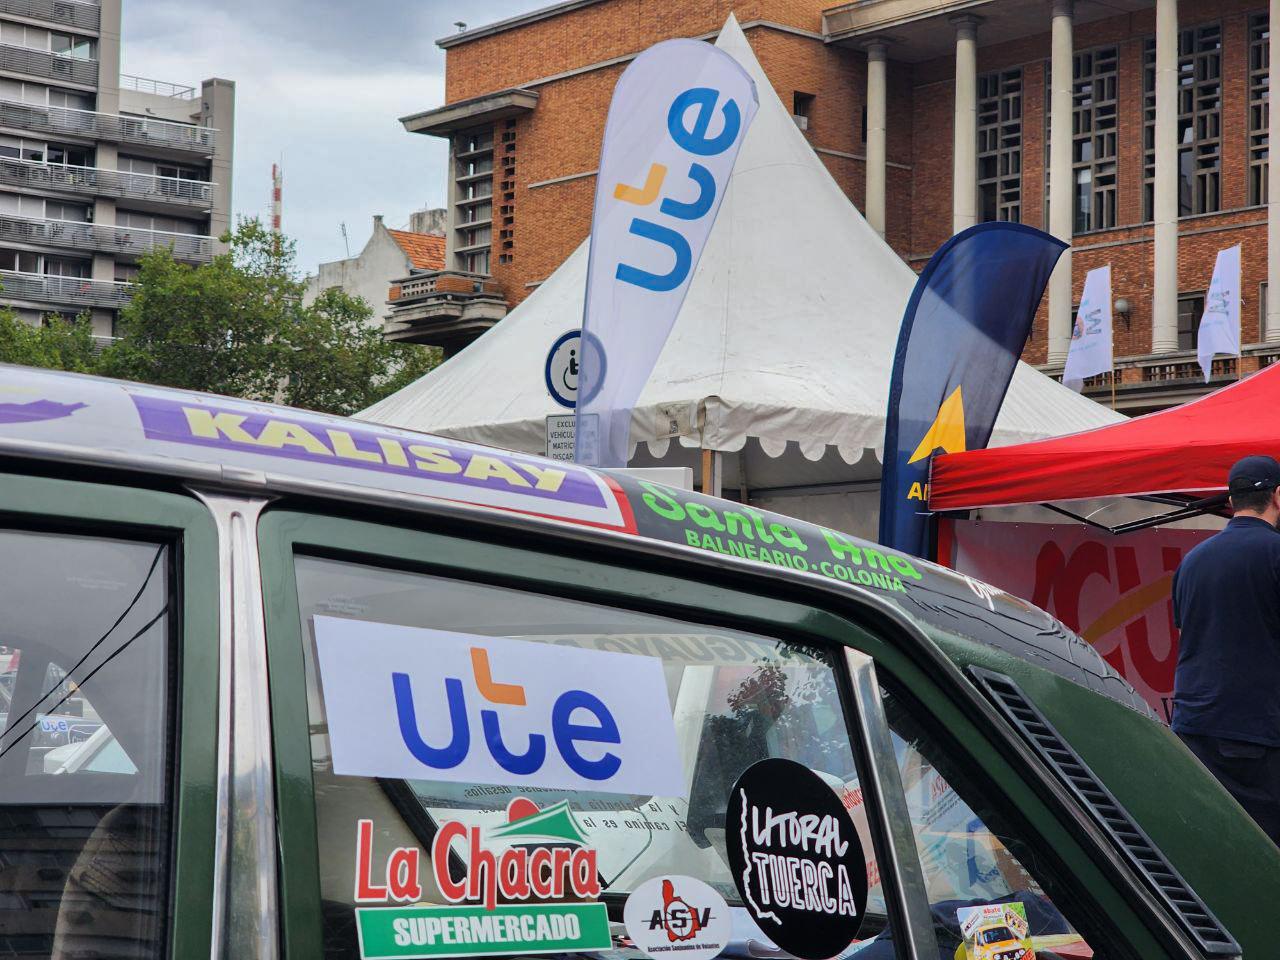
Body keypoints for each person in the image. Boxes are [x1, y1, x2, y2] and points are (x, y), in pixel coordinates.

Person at [1172, 454, 1280, 844]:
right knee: (1264, 856)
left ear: (1232, 501)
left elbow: (1189, 633)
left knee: (1213, 844)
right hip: (1258, 734)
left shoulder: (1192, 561)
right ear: (1278, 496)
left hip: (1194, 728)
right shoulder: (1275, 553)